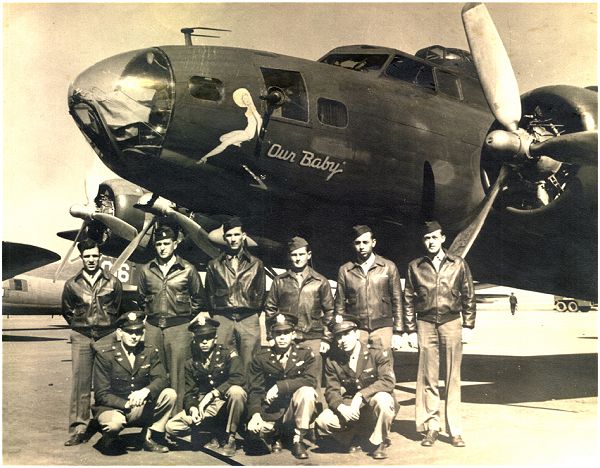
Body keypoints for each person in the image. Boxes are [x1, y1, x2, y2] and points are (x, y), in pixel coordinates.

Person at [404, 220, 476, 448]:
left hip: (451, 322)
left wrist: (468, 325)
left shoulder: (458, 264)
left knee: (453, 378)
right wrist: (409, 329)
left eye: (435, 237)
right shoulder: (415, 266)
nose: (431, 242)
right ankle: (431, 427)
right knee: (428, 378)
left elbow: (468, 295)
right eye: (427, 238)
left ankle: (454, 430)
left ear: (443, 239)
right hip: (425, 323)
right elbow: (408, 298)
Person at [137, 225, 208, 414]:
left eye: (166, 243)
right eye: (159, 244)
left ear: (175, 244)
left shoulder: (187, 269)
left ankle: (175, 420)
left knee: (179, 375)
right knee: (153, 372)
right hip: (152, 328)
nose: (162, 248)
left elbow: (199, 298)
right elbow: (141, 297)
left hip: (179, 329)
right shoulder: (146, 270)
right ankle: (153, 420)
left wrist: (183, 316)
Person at [62, 239, 122, 446]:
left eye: (94, 256)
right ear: (81, 258)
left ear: (100, 257)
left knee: (107, 382)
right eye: (87, 256)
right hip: (82, 335)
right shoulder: (72, 284)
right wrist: (82, 326)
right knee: (81, 384)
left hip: (106, 335)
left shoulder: (113, 282)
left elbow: (117, 307)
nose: (91, 260)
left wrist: (105, 326)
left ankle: (109, 424)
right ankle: (79, 428)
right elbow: (68, 311)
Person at [93, 311, 177, 454]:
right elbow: (101, 394)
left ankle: (150, 437)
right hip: (115, 407)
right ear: (119, 332)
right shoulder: (105, 355)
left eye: (138, 332)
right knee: (114, 424)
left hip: (140, 405)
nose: (134, 336)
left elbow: (162, 378)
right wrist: (125, 404)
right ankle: (109, 438)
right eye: (129, 332)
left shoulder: (149, 351)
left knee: (169, 394)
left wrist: (146, 390)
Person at [314, 314, 397, 460]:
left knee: (384, 400)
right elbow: (332, 390)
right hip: (351, 407)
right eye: (338, 336)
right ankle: (353, 437)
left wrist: (361, 396)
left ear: (357, 333)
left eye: (347, 334)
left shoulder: (376, 352)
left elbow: (388, 381)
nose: (343, 340)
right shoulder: (333, 360)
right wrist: (340, 407)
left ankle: (378, 441)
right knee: (322, 421)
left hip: (371, 405)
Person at [165, 317, 246, 456]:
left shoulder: (227, 353)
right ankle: (211, 432)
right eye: (200, 338)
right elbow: (190, 392)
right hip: (205, 406)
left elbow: (239, 377)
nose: (204, 342)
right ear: (195, 340)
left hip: (224, 402)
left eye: (208, 338)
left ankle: (230, 437)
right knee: (172, 427)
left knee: (237, 392)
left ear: (215, 338)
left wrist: (214, 393)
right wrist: (193, 408)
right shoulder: (191, 363)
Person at [264, 236, 334, 392]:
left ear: (308, 255)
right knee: (287, 377)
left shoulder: (320, 281)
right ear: (290, 256)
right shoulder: (280, 281)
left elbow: (330, 311)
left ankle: (316, 412)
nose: (298, 258)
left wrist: (327, 338)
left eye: (301, 254)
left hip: (313, 338)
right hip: (288, 337)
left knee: (313, 380)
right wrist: (271, 336)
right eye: (294, 255)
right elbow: (270, 308)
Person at [246, 314, 318, 459]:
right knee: (255, 435)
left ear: (293, 334)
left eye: (286, 333)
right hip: (271, 410)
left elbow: (310, 380)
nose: (282, 337)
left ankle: (298, 440)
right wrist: (255, 414)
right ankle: (275, 434)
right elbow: (255, 389)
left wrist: (280, 386)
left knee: (307, 392)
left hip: (294, 410)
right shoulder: (261, 357)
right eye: (278, 333)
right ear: (271, 335)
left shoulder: (305, 354)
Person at [205, 217, 266, 369]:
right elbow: (209, 293)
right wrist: (218, 315)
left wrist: (250, 312)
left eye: (236, 235)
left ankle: (249, 392)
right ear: (225, 238)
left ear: (243, 236)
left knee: (250, 361)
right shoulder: (214, 265)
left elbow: (260, 293)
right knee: (221, 359)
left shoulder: (256, 264)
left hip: (248, 318)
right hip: (223, 318)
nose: (233, 239)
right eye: (230, 235)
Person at [334, 225, 404, 351]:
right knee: (359, 367)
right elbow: (339, 303)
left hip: (383, 328)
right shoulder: (345, 270)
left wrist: (398, 332)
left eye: (365, 242)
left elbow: (397, 300)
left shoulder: (388, 267)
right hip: (357, 330)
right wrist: (341, 331)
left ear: (373, 242)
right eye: (357, 243)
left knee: (384, 367)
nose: (361, 247)